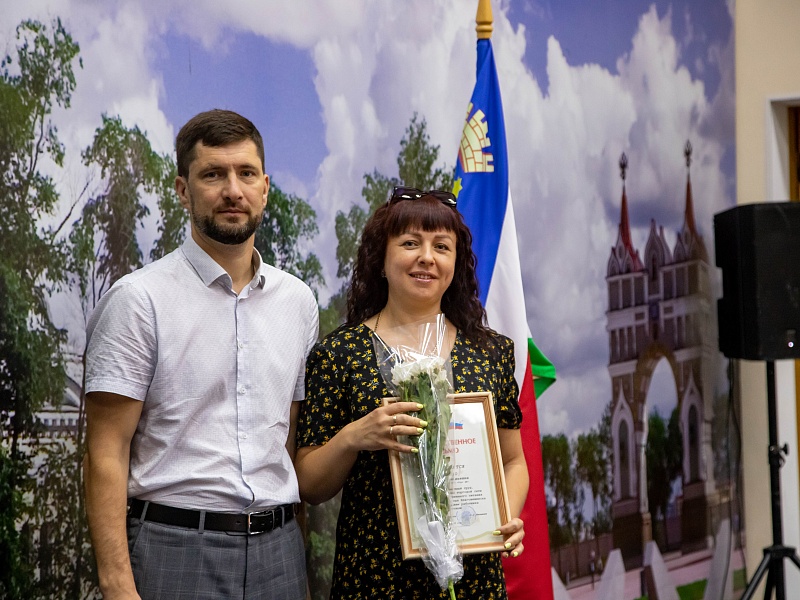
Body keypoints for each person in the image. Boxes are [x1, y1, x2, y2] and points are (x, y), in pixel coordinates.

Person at [83, 109, 318, 600]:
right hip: (174, 549)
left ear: (265, 188)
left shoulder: (298, 302)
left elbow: (290, 437)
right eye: (213, 174)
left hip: (280, 553)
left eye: (246, 173)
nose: (233, 190)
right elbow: (106, 452)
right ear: (183, 190)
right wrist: (117, 584)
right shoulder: (138, 300)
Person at [295, 188, 528, 599]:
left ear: (456, 263)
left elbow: (513, 460)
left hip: (474, 579)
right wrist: (354, 436)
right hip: (374, 578)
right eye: (410, 243)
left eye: (442, 246)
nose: (427, 257)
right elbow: (310, 485)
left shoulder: (490, 351)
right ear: (381, 260)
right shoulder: (338, 354)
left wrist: (503, 514)